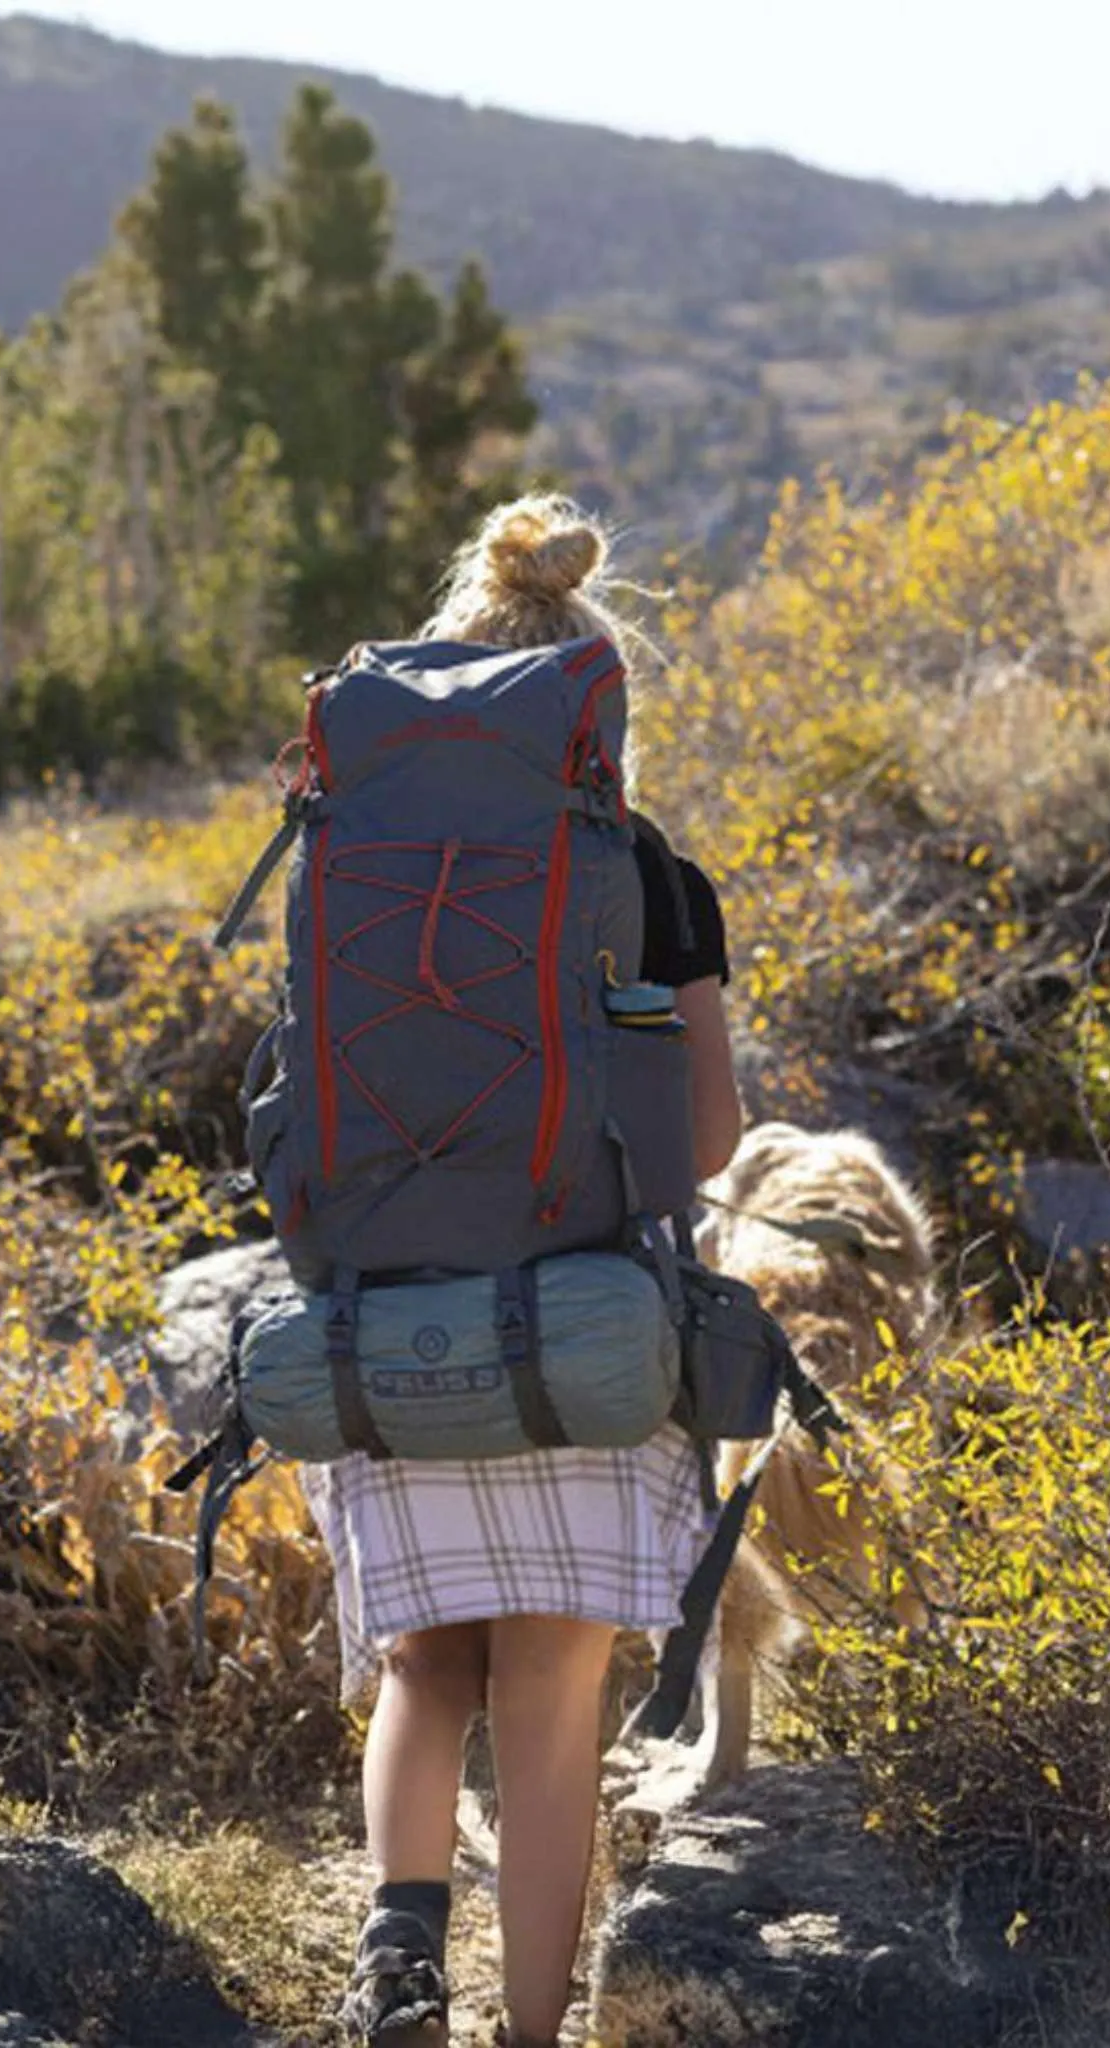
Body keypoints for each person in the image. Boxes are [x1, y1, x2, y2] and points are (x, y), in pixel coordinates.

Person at [302, 495, 742, 2048]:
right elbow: (710, 1130)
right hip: (584, 1338)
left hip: (382, 1325)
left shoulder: (353, 851)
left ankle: (399, 1958)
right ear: (593, 701)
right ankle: (532, 2038)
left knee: (426, 1672)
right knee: (553, 1717)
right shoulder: (648, 866)